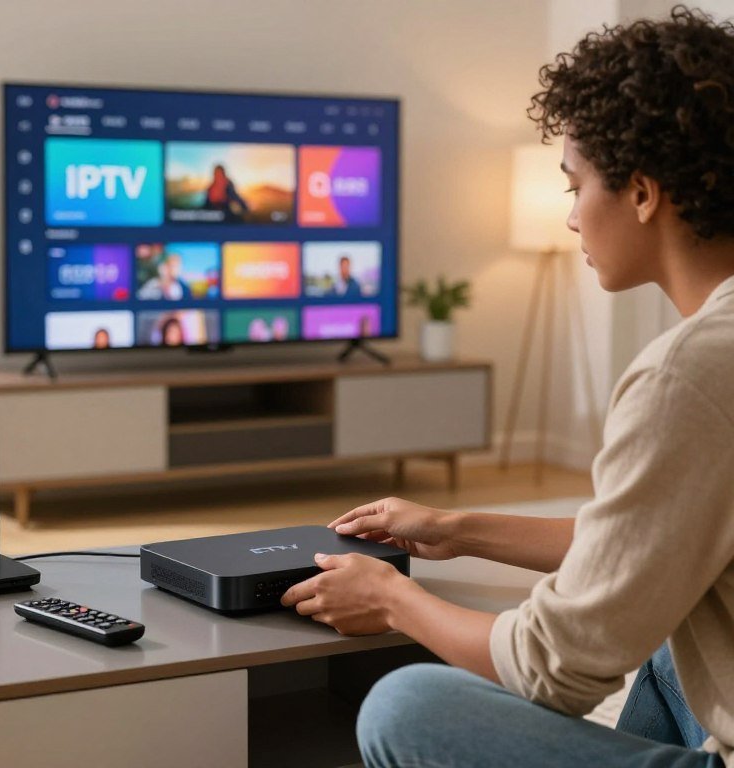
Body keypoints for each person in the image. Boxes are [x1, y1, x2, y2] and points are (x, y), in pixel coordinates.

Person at [282, 8, 734, 767]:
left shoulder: (688, 375)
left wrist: (393, 600)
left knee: (405, 704)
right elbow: (639, 546)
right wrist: (453, 527)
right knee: (665, 617)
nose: (571, 218)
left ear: (643, 193)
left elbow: (551, 668)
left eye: (576, 186)